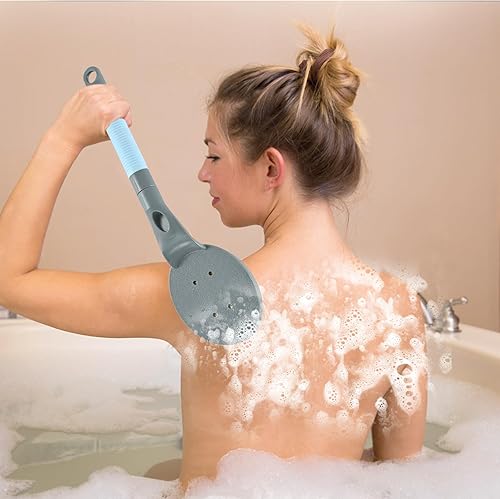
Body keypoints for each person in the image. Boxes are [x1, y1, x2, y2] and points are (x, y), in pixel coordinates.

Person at [0, 22, 428, 495]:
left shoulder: (201, 299)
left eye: (214, 156)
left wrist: (64, 137)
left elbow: (9, 279)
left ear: (271, 167)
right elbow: (404, 481)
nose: (203, 174)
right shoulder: (398, 310)